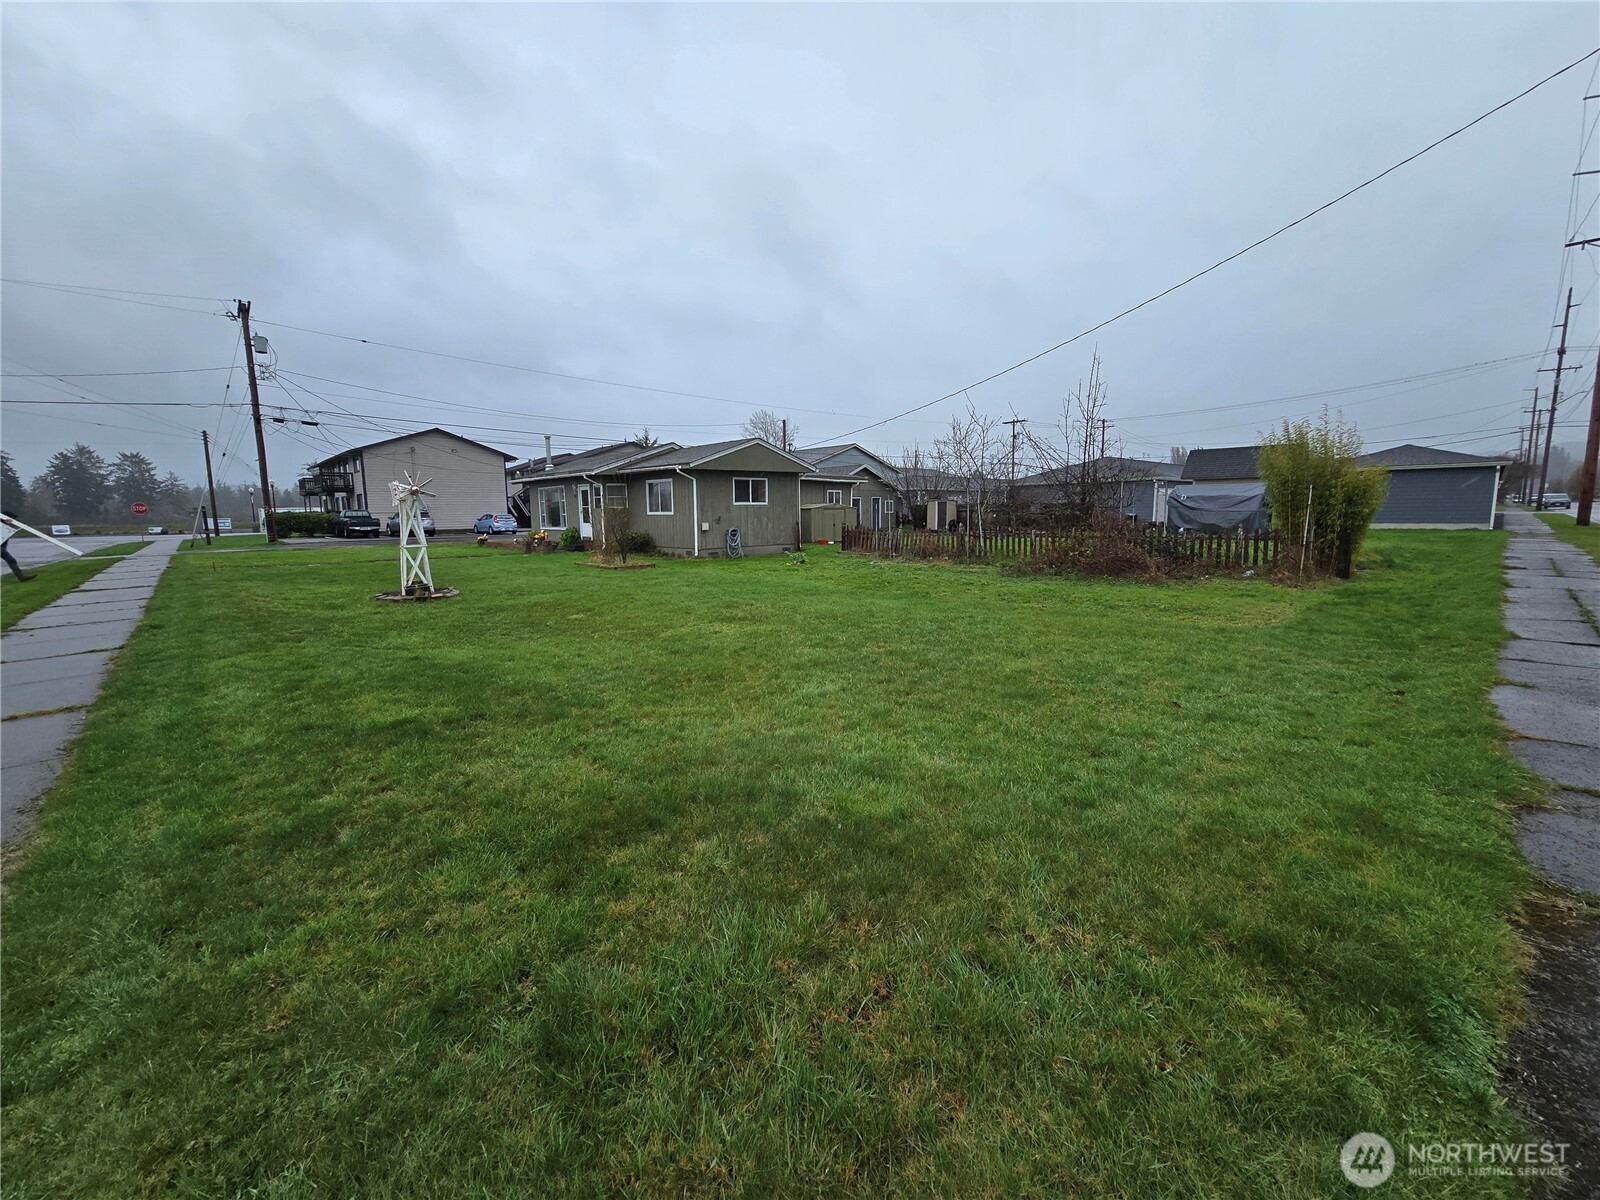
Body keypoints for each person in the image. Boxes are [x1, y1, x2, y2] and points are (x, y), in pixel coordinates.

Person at [1, 511, 37, 581]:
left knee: (11, 560)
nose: (12, 523)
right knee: (11, 560)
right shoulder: (3, 527)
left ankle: (21, 576)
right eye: (12, 520)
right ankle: (21, 577)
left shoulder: (7, 528)